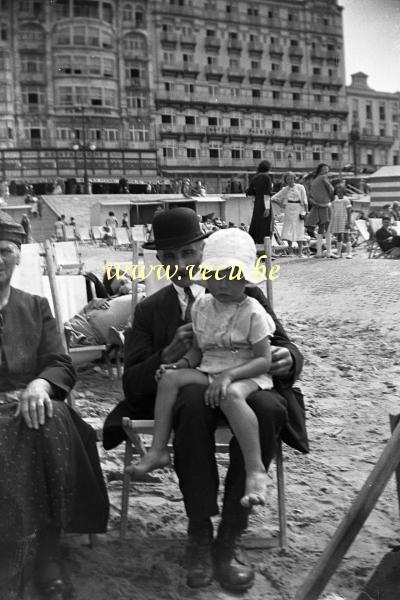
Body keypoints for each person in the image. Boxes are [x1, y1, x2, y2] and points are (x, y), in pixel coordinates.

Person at [103, 207, 308, 593]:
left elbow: (281, 345)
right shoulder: (150, 310)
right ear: (160, 262)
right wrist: (166, 355)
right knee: (193, 399)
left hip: (244, 391)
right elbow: (132, 383)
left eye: (188, 253)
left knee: (265, 407)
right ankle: (200, 532)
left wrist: (288, 358)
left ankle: (229, 536)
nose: (180, 265)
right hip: (191, 402)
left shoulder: (247, 292)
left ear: (204, 249)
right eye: (169, 257)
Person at [0, 211, 109, 598]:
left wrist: (41, 384)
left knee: (50, 421)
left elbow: (59, 362)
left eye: (5, 251)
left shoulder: (35, 307)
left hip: (32, 402)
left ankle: (47, 549)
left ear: (17, 257)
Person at [127, 229, 276, 510]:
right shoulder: (200, 307)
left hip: (246, 371)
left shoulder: (253, 308)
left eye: (232, 276)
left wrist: (229, 376)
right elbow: (198, 350)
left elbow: (264, 360)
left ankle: (255, 470)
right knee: (170, 380)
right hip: (209, 369)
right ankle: (157, 451)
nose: (223, 284)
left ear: (244, 278)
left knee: (231, 395)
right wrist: (178, 364)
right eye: (216, 276)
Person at [271, 171, 308, 257]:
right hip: (288, 209)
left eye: (291, 178)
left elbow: (305, 199)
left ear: (294, 179)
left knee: (299, 230)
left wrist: (306, 211)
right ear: (286, 180)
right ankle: (290, 251)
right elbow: (273, 198)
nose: (290, 180)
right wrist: (280, 204)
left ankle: (300, 252)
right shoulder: (285, 189)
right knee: (289, 230)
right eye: (288, 179)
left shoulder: (300, 187)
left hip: (299, 208)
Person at [307, 163, 334, 258]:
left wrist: (315, 202)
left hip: (317, 205)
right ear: (321, 170)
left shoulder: (314, 180)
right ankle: (329, 251)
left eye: (327, 169)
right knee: (327, 229)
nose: (326, 171)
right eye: (325, 169)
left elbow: (310, 195)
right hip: (325, 205)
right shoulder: (323, 178)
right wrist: (331, 198)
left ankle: (319, 252)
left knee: (320, 228)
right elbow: (331, 190)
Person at [246, 160, 273, 244]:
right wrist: (267, 208)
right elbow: (267, 194)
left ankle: (255, 243)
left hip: (257, 203)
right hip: (265, 204)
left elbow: (249, 192)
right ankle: (265, 248)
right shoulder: (267, 178)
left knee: (256, 224)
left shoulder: (255, 177)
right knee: (266, 226)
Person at [329, 183, 353, 259]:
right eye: (338, 189)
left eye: (341, 190)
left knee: (346, 235)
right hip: (336, 219)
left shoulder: (346, 200)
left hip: (344, 219)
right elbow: (331, 210)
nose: (339, 191)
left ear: (343, 191)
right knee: (339, 236)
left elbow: (349, 212)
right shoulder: (333, 200)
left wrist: (348, 221)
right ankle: (339, 253)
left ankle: (349, 253)